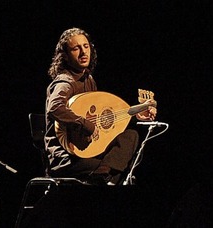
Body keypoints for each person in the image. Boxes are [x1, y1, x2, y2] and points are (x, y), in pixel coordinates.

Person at [44, 27, 157, 186]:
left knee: (131, 136)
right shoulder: (65, 82)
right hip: (67, 158)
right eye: (76, 48)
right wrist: (85, 124)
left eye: (86, 46)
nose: (83, 53)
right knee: (118, 170)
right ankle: (103, 180)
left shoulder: (88, 79)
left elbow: (103, 120)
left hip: (90, 152)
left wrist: (136, 113)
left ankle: (102, 177)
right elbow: (55, 108)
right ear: (66, 57)